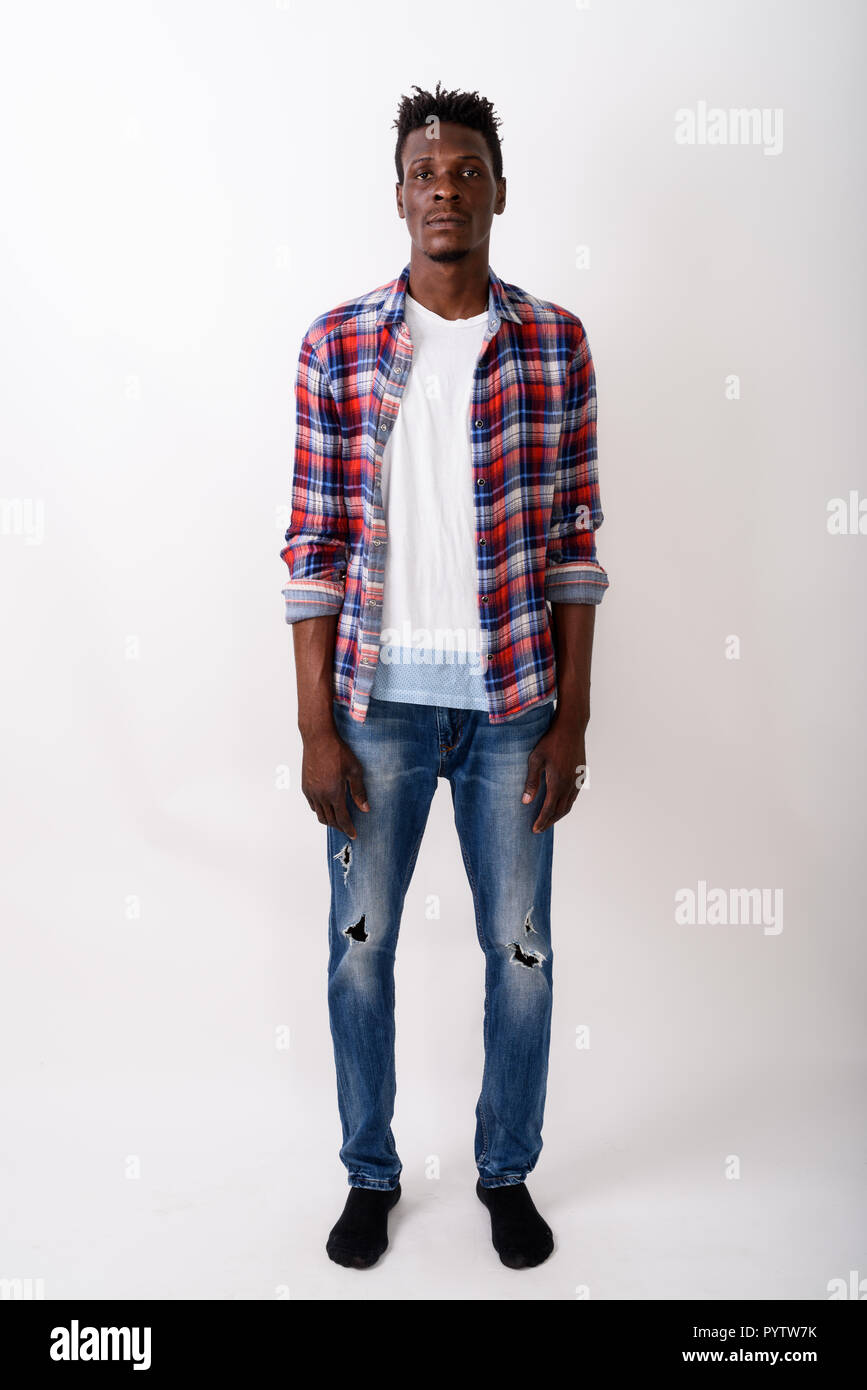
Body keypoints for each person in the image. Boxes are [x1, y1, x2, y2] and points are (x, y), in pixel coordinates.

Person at [280, 81, 610, 1270]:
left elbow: (575, 545)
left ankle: (504, 1170)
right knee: (360, 945)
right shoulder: (338, 343)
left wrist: (573, 717)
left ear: (500, 191)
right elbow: (312, 549)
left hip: (516, 706)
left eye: (467, 170)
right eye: (426, 172)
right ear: (400, 194)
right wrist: (316, 725)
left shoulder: (555, 340)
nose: (445, 189)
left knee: (518, 952)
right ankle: (370, 1174)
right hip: (378, 710)